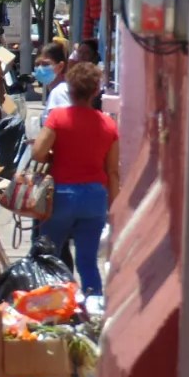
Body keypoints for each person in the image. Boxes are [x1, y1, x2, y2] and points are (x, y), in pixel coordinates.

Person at [32, 63, 119, 295]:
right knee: (88, 262)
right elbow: (112, 171)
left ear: (70, 90)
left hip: (61, 196)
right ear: (95, 92)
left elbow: (38, 152)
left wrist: (55, 154)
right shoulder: (108, 125)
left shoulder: (58, 118)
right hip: (94, 199)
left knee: (48, 256)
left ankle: (49, 308)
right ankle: (93, 311)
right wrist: (114, 207)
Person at [35, 42, 71, 121]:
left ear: (60, 66)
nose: (40, 68)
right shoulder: (54, 90)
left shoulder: (60, 92)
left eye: (45, 64)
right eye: (37, 64)